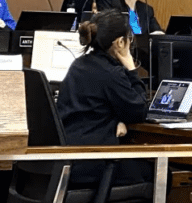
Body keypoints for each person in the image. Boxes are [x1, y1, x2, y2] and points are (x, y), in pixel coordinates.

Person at [55, 10, 150, 187]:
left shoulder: (79, 65)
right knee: (159, 173)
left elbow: (94, 109)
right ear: (120, 42)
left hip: (68, 159)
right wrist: (131, 68)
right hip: (94, 162)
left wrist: (116, 120)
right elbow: (139, 110)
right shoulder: (111, 73)